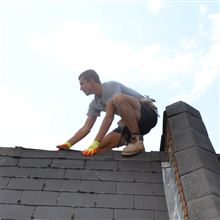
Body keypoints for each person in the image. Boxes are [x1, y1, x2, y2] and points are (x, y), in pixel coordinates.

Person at [56, 69, 158, 156]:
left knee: (117, 99)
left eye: (82, 83)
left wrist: (95, 141)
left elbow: (109, 117)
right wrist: (68, 144)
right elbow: (86, 128)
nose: (80, 88)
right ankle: (138, 151)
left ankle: (136, 140)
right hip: (133, 126)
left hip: (147, 115)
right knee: (97, 150)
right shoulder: (94, 104)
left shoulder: (111, 86)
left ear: (91, 81)